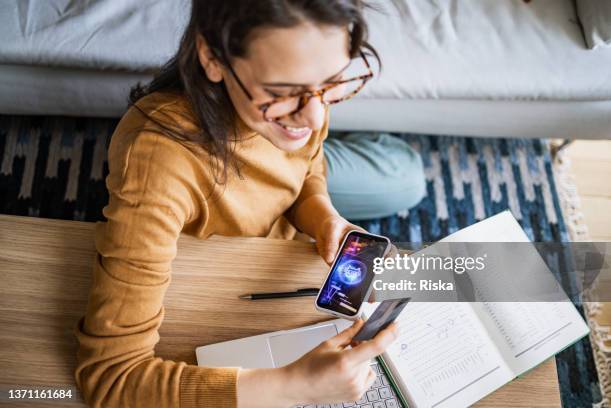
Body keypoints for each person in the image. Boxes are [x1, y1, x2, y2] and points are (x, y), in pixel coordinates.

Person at [75, 1, 425, 407]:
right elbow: (110, 377)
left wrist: (322, 215)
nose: (314, 117)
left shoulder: (307, 94)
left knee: (408, 176)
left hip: (276, 229)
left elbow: (308, 165)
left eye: (332, 83)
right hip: (215, 265)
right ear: (212, 58)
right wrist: (293, 386)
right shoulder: (159, 164)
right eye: (281, 93)